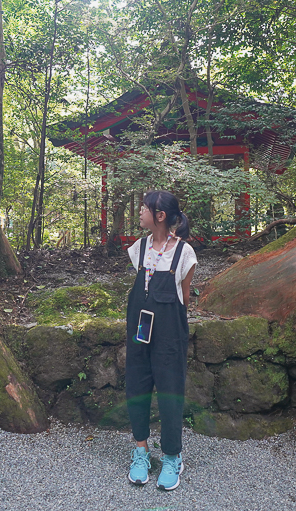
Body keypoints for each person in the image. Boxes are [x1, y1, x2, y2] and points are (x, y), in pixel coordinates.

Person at [124, 190, 197, 490]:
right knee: (137, 388)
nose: (140, 212)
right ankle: (141, 451)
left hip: (169, 336)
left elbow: (185, 297)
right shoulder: (137, 249)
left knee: (169, 394)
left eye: (145, 208)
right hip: (140, 333)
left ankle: (171, 457)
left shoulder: (184, 254)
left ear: (160, 216)